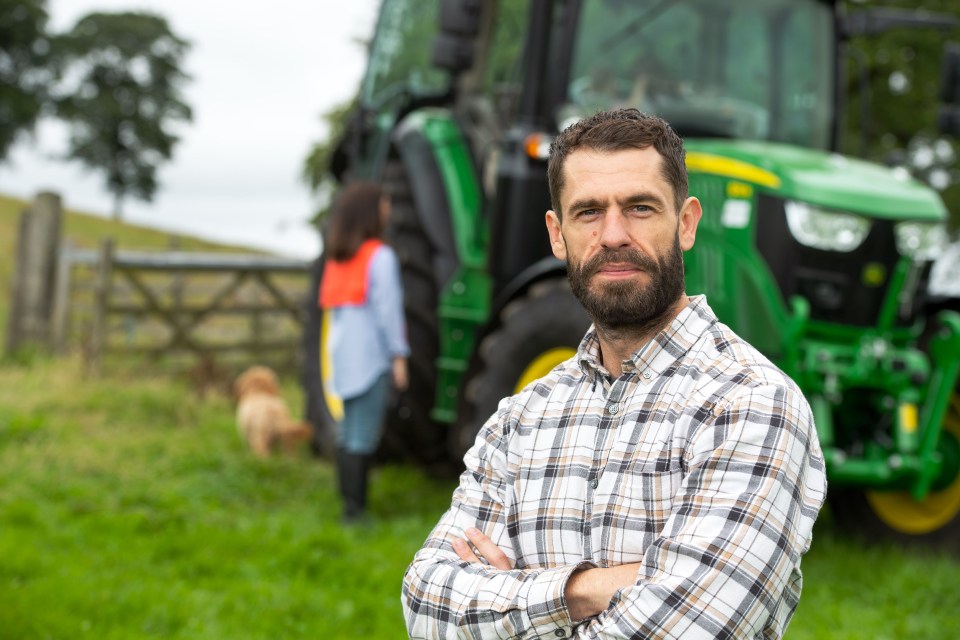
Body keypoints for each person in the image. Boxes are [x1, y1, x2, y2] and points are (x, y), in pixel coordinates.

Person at [401, 109, 827, 638]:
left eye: (640, 208)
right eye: (588, 212)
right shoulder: (521, 418)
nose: (613, 234)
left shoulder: (752, 406)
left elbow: (685, 629)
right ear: (557, 235)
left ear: (687, 222)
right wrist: (583, 591)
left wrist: (514, 598)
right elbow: (426, 604)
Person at [319, 181, 409, 524]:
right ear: (370, 211)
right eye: (384, 203)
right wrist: (398, 357)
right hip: (370, 360)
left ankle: (348, 506)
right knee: (363, 436)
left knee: (347, 433)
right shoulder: (379, 257)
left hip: (342, 359)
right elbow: (388, 313)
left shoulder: (338, 258)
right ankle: (355, 514)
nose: (388, 209)